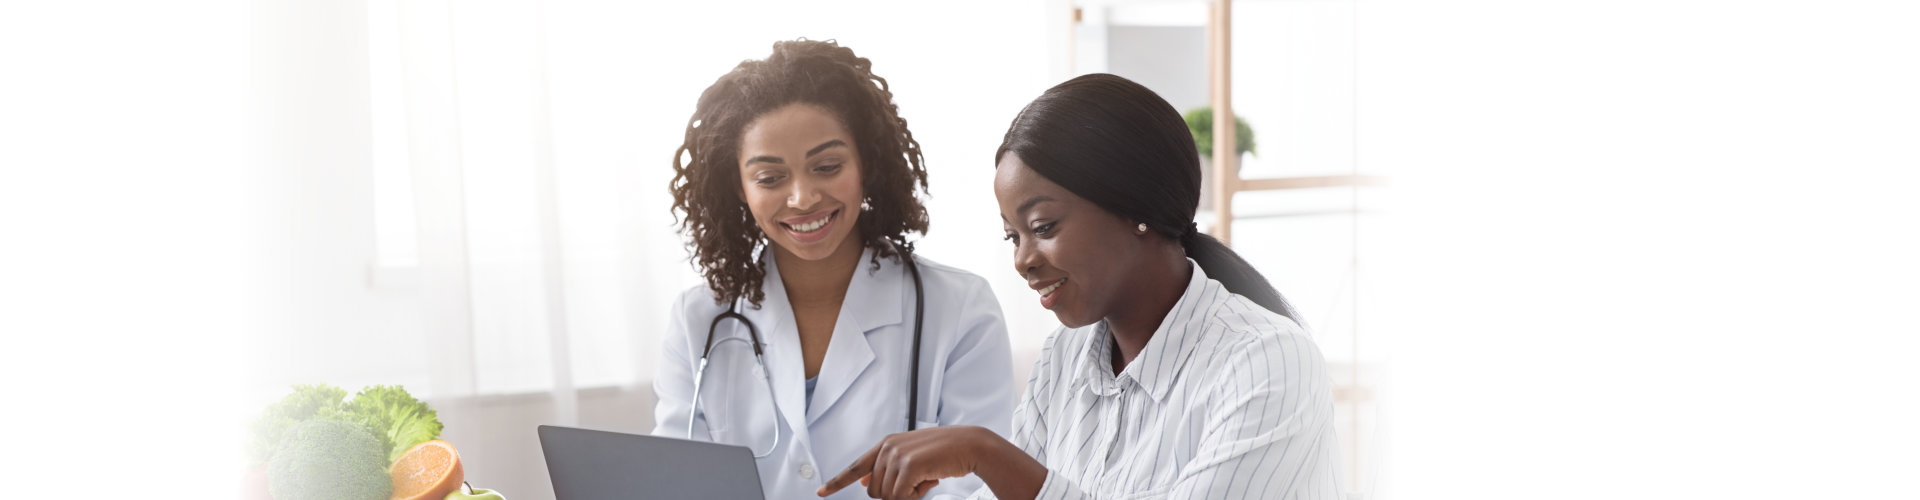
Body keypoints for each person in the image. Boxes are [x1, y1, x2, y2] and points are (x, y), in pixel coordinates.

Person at [818, 73, 1340, 500]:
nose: (1022, 260)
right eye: (1012, 236)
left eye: (1043, 227)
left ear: (1136, 206)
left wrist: (989, 454)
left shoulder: (1268, 362)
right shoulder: (1065, 361)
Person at [653, 39, 1015, 500]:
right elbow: (673, 482)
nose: (802, 198)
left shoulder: (960, 308)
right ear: (739, 187)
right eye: (770, 177)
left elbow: (979, 489)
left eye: (826, 166)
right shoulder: (697, 319)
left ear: (866, 164)